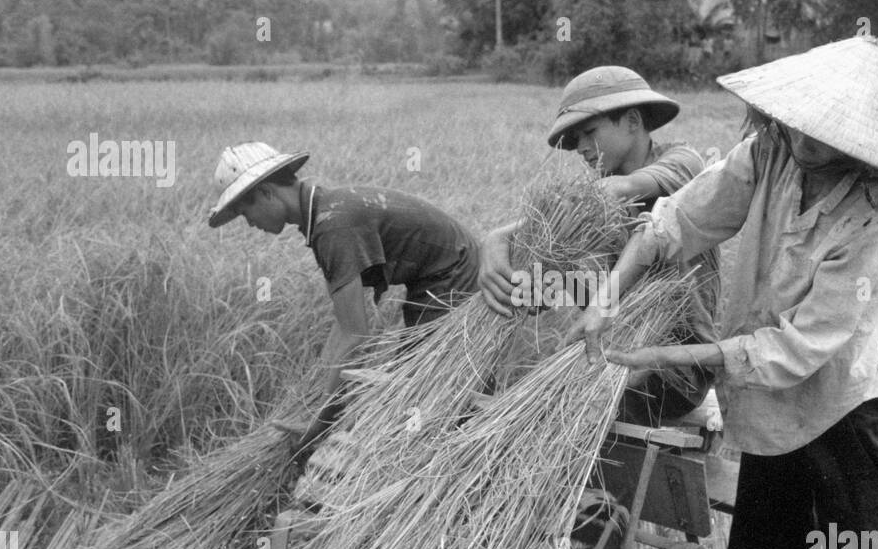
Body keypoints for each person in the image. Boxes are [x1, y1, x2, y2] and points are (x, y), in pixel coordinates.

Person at [568, 36, 878, 549]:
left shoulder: (875, 221)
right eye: (799, 123)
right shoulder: (768, 155)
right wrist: (609, 296)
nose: (804, 140)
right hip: (766, 412)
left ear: (859, 144)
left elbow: (798, 349)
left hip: (840, 409)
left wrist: (664, 358)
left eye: (825, 134)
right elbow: (678, 221)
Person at [208, 142, 480, 463]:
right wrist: (319, 387)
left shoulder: (333, 225)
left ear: (267, 192)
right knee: (413, 382)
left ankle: (458, 457)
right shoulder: (324, 215)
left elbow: (355, 333)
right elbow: (343, 321)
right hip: (433, 276)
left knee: (429, 386)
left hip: (452, 271)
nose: (250, 223)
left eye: (245, 212)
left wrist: (322, 420)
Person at [478, 65, 719, 426]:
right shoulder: (595, 200)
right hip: (610, 350)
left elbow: (624, 188)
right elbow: (559, 293)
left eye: (590, 133)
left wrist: (518, 229)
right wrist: (503, 247)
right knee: (536, 402)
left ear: (633, 121)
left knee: (550, 413)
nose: (582, 148)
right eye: (576, 140)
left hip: (678, 370)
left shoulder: (682, 162)